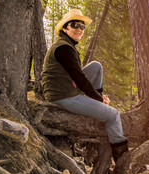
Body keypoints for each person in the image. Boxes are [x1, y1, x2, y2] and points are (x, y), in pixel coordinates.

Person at [41, 9, 128, 164]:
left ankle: (97, 104)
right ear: (65, 28)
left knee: (96, 66)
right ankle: (122, 159)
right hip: (63, 96)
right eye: (75, 25)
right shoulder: (64, 49)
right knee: (113, 115)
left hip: (64, 89)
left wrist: (98, 96)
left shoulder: (66, 46)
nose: (79, 29)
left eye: (82, 27)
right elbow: (80, 79)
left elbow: (79, 76)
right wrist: (99, 99)